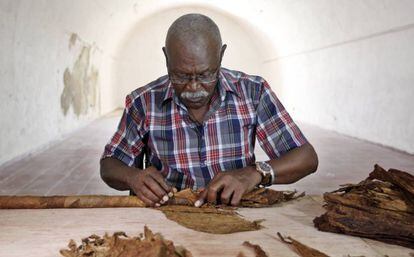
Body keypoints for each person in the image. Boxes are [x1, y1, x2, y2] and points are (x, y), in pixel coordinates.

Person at [100, 13, 318, 207]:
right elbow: (110, 164)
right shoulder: (143, 102)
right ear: (166, 58)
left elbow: (306, 157)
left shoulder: (253, 92)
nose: (193, 88)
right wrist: (132, 177)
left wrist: (255, 173)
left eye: (205, 75)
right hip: (168, 214)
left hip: (236, 212)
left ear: (221, 56)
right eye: (181, 76)